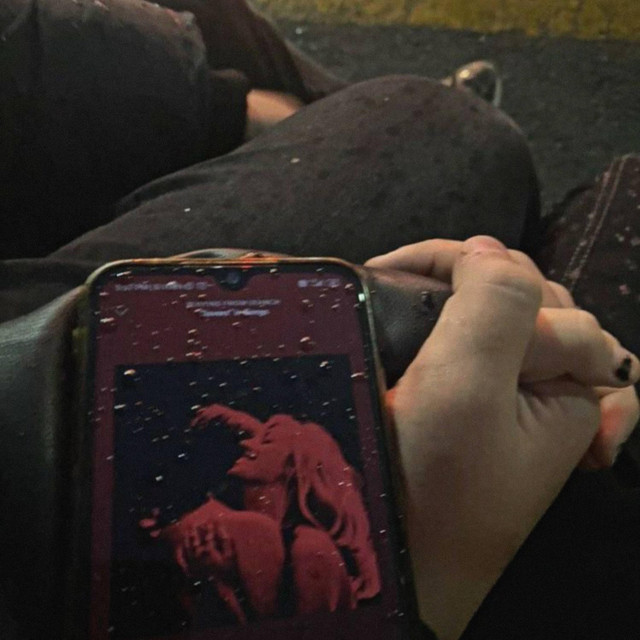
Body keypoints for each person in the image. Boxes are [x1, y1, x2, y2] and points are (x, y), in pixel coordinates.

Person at [0, 1, 638, 639]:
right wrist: (418, 587)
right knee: (450, 135)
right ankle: (335, 111)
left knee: (223, 21)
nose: (255, 437)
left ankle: (316, 110)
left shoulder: (246, 513)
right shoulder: (304, 550)